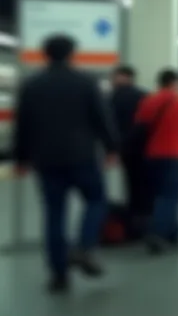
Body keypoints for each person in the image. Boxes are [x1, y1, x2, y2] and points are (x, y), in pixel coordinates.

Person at [12, 34, 118, 294]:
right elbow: (101, 118)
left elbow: (23, 126)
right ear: (72, 53)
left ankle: (59, 275)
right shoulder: (85, 82)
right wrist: (111, 148)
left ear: (44, 54)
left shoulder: (32, 84)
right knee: (96, 200)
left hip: (46, 160)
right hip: (82, 157)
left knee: (54, 214)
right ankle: (84, 246)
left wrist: (21, 158)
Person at [135, 69, 178, 254]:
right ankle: (158, 234)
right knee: (171, 197)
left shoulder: (148, 101)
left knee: (157, 196)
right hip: (175, 155)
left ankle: (173, 233)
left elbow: (140, 127)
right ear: (174, 83)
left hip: (152, 155)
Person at [109, 66, 149, 226]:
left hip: (125, 145)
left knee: (131, 180)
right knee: (144, 181)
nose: (112, 81)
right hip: (143, 145)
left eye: (114, 77)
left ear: (124, 77)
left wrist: (111, 147)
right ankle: (144, 213)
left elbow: (110, 123)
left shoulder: (114, 97)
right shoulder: (144, 95)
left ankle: (135, 213)